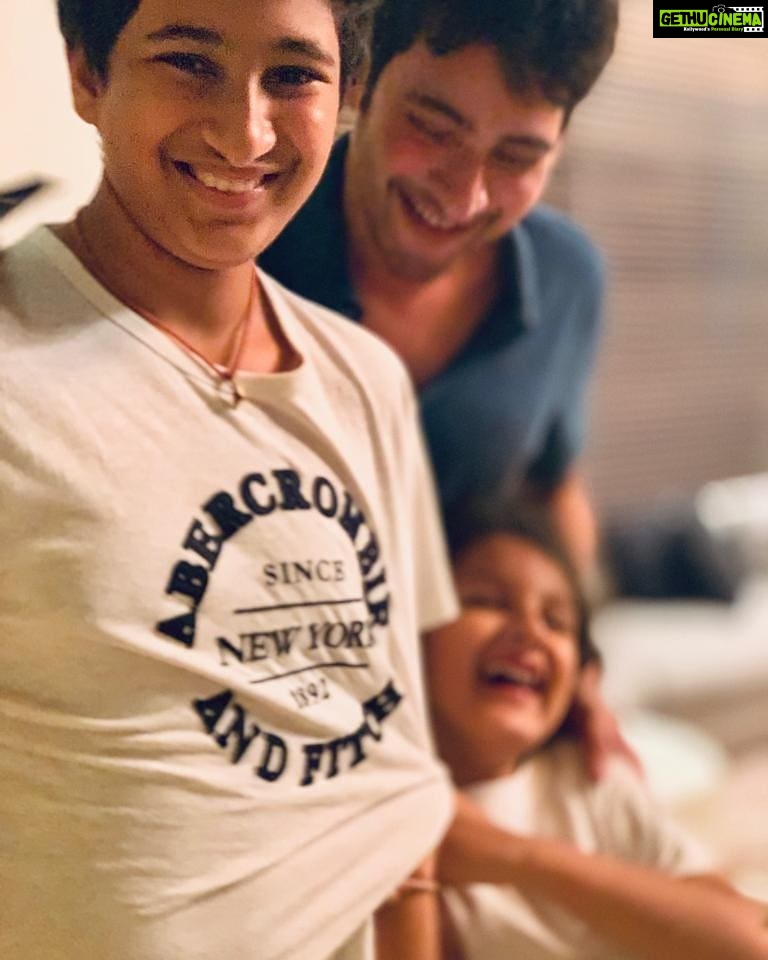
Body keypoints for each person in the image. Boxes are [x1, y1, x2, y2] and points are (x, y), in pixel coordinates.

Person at [0, 2, 458, 958]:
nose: (245, 134)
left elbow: (395, 784)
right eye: (188, 61)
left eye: (292, 76)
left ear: (348, 97)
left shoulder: (364, 382)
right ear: (87, 73)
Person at [261, 0, 628, 778]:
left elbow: (552, 486)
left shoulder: (569, 277)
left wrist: (579, 662)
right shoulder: (248, 236)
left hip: (456, 718)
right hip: (272, 708)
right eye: (432, 127)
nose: (464, 197)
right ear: (359, 81)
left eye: (517, 157)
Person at [421, 503, 768, 960]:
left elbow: (752, 941)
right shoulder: (410, 819)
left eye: (556, 621)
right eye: (487, 601)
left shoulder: (589, 782)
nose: (529, 631)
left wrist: (514, 856)